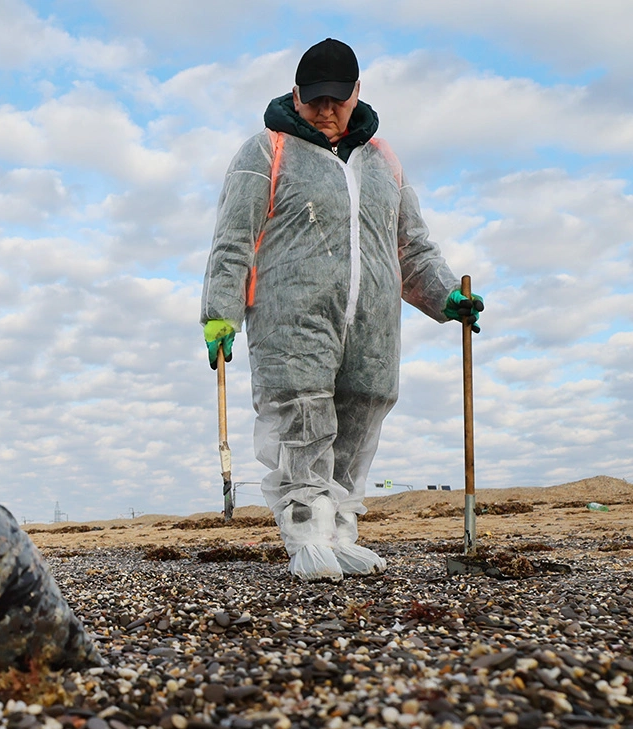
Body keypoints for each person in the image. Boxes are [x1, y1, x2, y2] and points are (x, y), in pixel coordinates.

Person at [200, 38, 484, 581]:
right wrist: (219, 312)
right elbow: (233, 240)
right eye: (313, 100)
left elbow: (411, 247)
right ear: (295, 93)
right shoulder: (266, 151)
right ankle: (306, 535)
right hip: (292, 319)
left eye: (336, 99)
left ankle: (340, 533)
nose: (325, 111)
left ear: (357, 92)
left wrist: (446, 297)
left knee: (362, 412)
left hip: (372, 325)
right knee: (301, 416)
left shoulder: (384, 163)